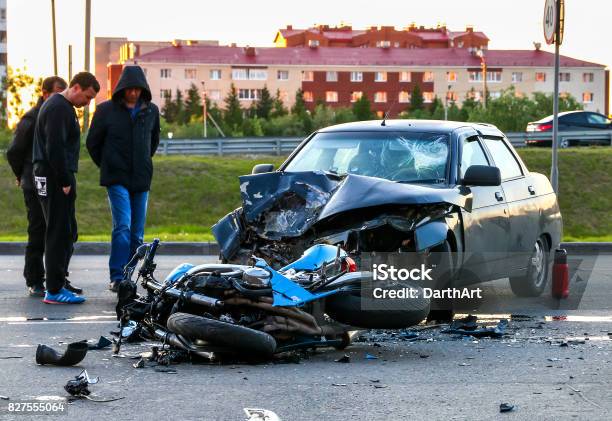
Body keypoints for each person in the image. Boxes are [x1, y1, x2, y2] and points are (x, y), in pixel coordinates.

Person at [86, 65, 160, 292]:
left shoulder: (152, 111)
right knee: (123, 227)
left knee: (137, 235)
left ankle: (128, 277)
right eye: (130, 89)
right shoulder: (105, 110)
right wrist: (108, 166)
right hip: (116, 178)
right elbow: (92, 143)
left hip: (141, 178)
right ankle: (116, 277)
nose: (134, 93)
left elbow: (153, 142)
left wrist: (143, 163)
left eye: (138, 89)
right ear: (122, 89)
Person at [32, 72, 99, 304]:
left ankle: (58, 283)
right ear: (77, 87)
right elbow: (55, 147)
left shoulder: (62, 107)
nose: (87, 103)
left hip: (53, 174)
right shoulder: (59, 108)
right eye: (88, 97)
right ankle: (54, 289)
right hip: (54, 177)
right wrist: (64, 181)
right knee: (58, 232)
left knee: (67, 230)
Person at [6, 76, 74, 297]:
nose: (60, 96)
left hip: (50, 178)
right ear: (44, 93)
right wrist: (21, 175)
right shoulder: (32, 118)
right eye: (56, 92)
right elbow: (14, 151)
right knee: (38, 230)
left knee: (64, 231)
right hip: (34, 181)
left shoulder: (60, 113)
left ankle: (59, 278)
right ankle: (35, 279)